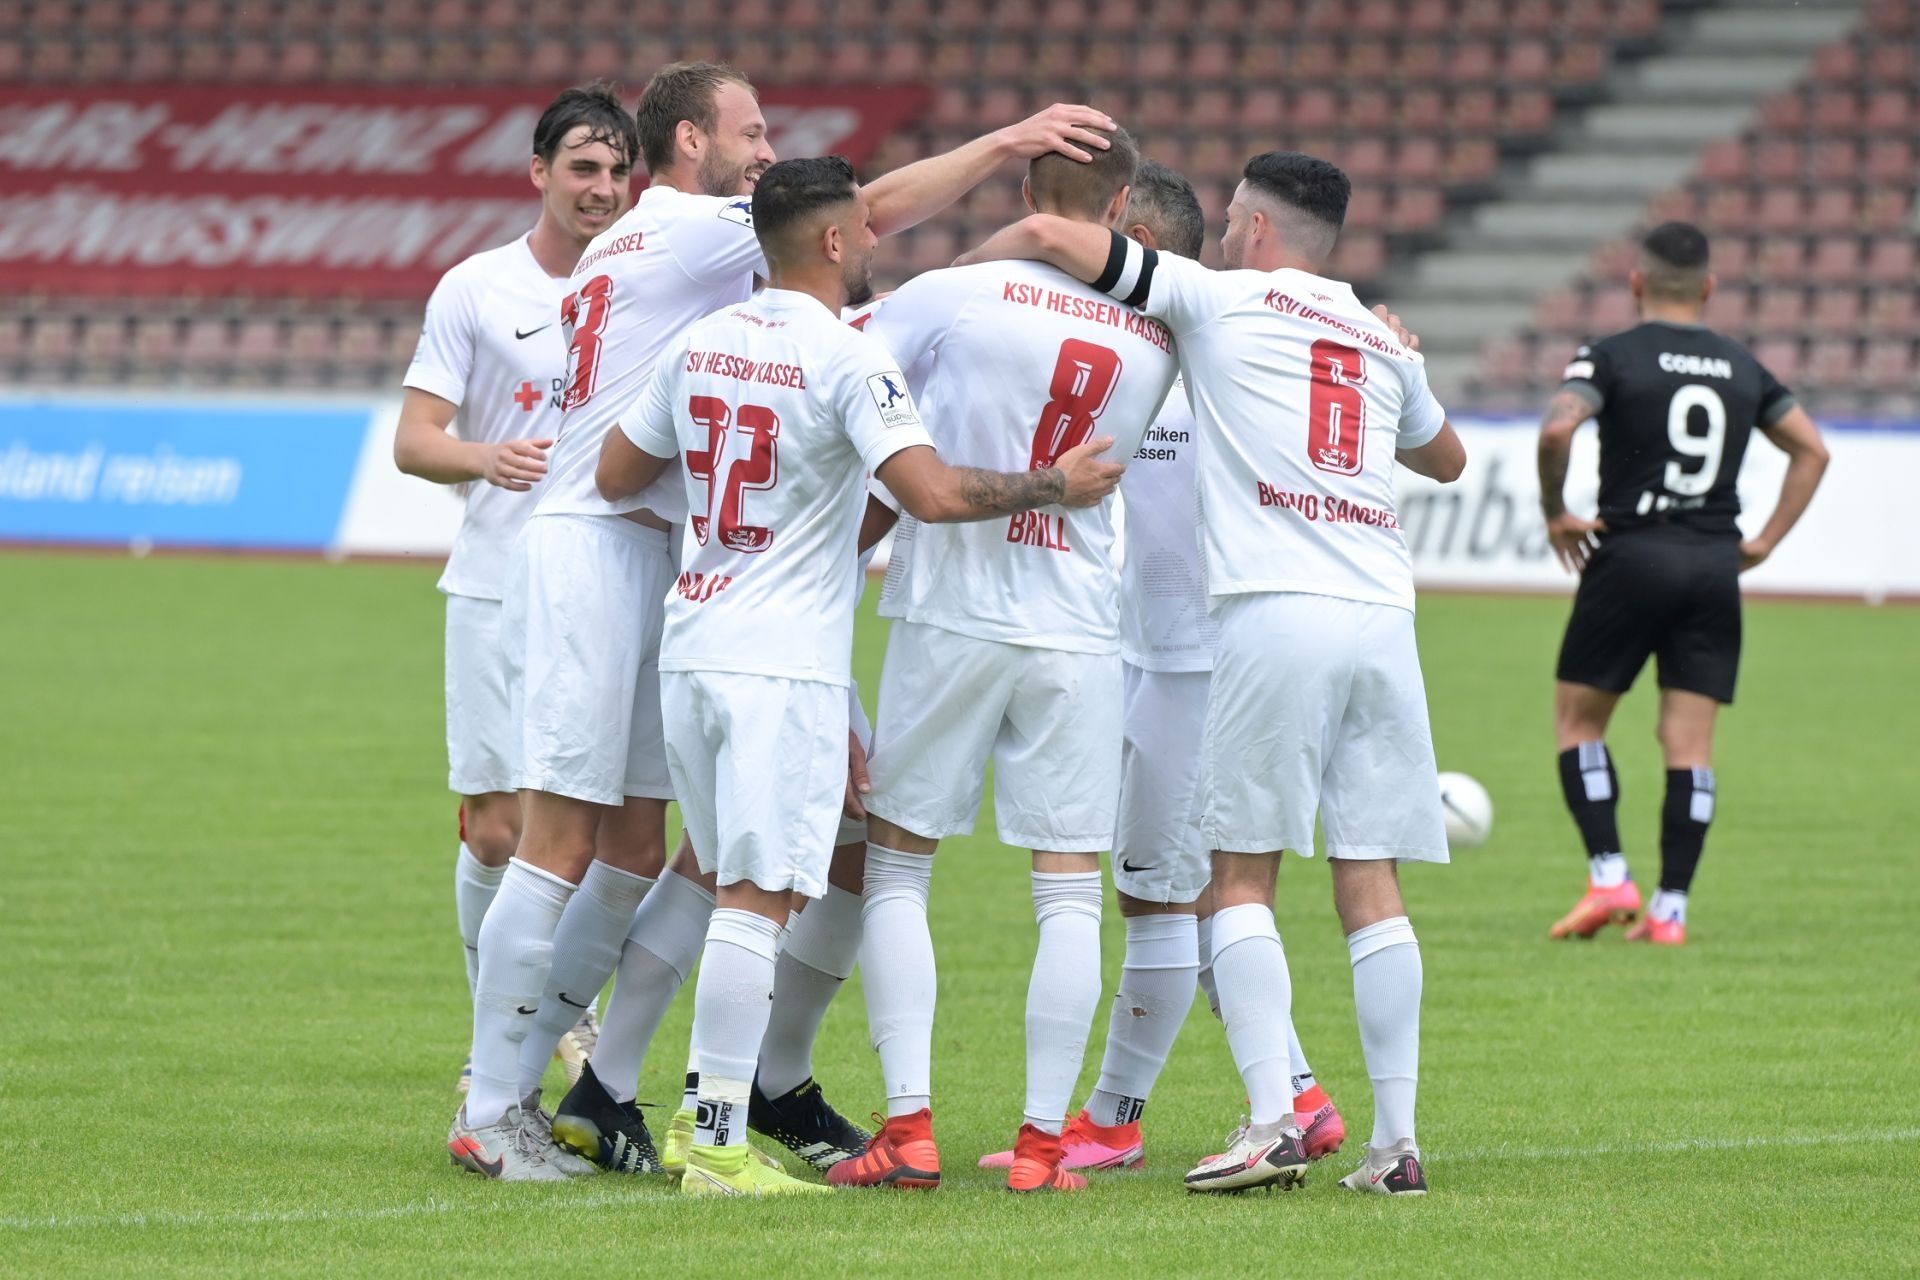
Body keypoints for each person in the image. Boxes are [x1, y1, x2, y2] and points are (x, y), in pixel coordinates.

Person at [456, 56, 1122, 1182]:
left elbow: (627, 466)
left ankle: (612, 1084)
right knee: (603, 846)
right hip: (644, 581)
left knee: (658, 852)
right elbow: (872, 223)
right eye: (749, 130)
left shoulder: (675, 296)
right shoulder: (711, 236)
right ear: (689, 147)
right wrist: (1008, 147)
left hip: (677, 579)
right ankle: (515, 1102)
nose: (763, 148)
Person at [966, 150, 1467, 1196]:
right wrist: (1390, 365)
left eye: (1237, 217)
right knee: (1369, 880)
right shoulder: (1379, 333)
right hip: (1385, 614)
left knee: (1236, 880)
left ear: (1263, 229)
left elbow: (1062, 236)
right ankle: (1396, 1143)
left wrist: (970, 266)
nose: (1229, 232)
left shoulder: (1221, 302)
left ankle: (1274, 1119)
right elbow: (1449, 459)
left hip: (1272, 616)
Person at [830, 126, 1181, 1194]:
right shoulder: (1156, 337)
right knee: (1067, 887)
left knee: (897, 861)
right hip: (1078, 624)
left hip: (951, 607)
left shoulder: (956, 295)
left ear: (1029, 191)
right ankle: (1039, 1145)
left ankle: (910, 1126)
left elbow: (839, 353)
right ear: (1121, 213)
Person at [392, 81, 635, 1101]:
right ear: (539, 172)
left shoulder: (651, 284)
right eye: (583, 166)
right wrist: (486, 457)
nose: (603, 187)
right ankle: (489, 1030)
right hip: (496, 583)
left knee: (588, 831)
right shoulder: (476, 289)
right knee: (496, 826)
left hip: (611, 588)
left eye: (620, 169)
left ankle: (560, 1035)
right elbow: (415, 440)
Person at [1537, 221, 1829, 947]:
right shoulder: (1742, 365)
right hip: (1712, 567)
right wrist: (1762, 541)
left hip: (1632, 554)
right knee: (1689, 745)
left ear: (1636, 283)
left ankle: (1610, 876)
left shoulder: (1609, 356)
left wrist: (1556, 512)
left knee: (1580, 723)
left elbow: (1554, 433)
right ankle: (1670, 911)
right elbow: (1813, 451)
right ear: (1709, 288)